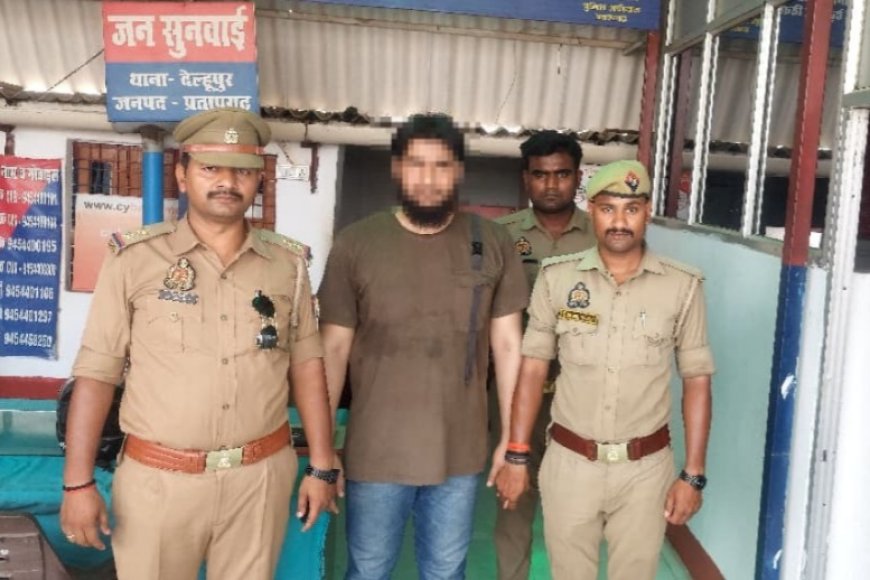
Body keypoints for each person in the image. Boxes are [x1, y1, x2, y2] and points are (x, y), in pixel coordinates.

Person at [60, 108, 337, 580]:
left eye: (242, 170)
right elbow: (97, 373)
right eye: (211, 168)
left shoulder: (286, 264)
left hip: (259, 478)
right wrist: (76, 484)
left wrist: (322, 466)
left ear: (259, 179)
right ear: (182, 174)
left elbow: (307, 365)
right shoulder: (135, 259)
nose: (228, 182)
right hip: (159, 482)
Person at [317, 113, 529, 580]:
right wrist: (323, 446)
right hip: (376, 452)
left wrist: (513, 443)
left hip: (460, 452)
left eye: (442, 166)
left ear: (459, 172)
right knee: (368, 570)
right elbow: (331, 351)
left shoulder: (492, 241)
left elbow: (509, 347)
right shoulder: (357, 244)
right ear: (397, 168)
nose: (429, 179)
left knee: (446, 571)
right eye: (416, 165)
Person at [495, 160, 714, 580]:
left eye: (631, 209)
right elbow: (533, 369)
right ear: (591, 210)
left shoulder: (682, 286)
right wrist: (517, 454)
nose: (619, 222)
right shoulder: (557, 279)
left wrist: (694, 475)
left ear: (648, 213)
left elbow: (697, 380)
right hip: (570, 464)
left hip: (645, 471)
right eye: (608, 208)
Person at [492, 131, 596, 580]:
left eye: (562, 174)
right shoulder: (502, 236)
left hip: (582, 392)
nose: (551, 185)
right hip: (517, 389)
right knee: (513, 495)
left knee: (576, 506)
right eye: (540, 175)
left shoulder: (601, 233)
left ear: (578, 177)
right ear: (526, 178)